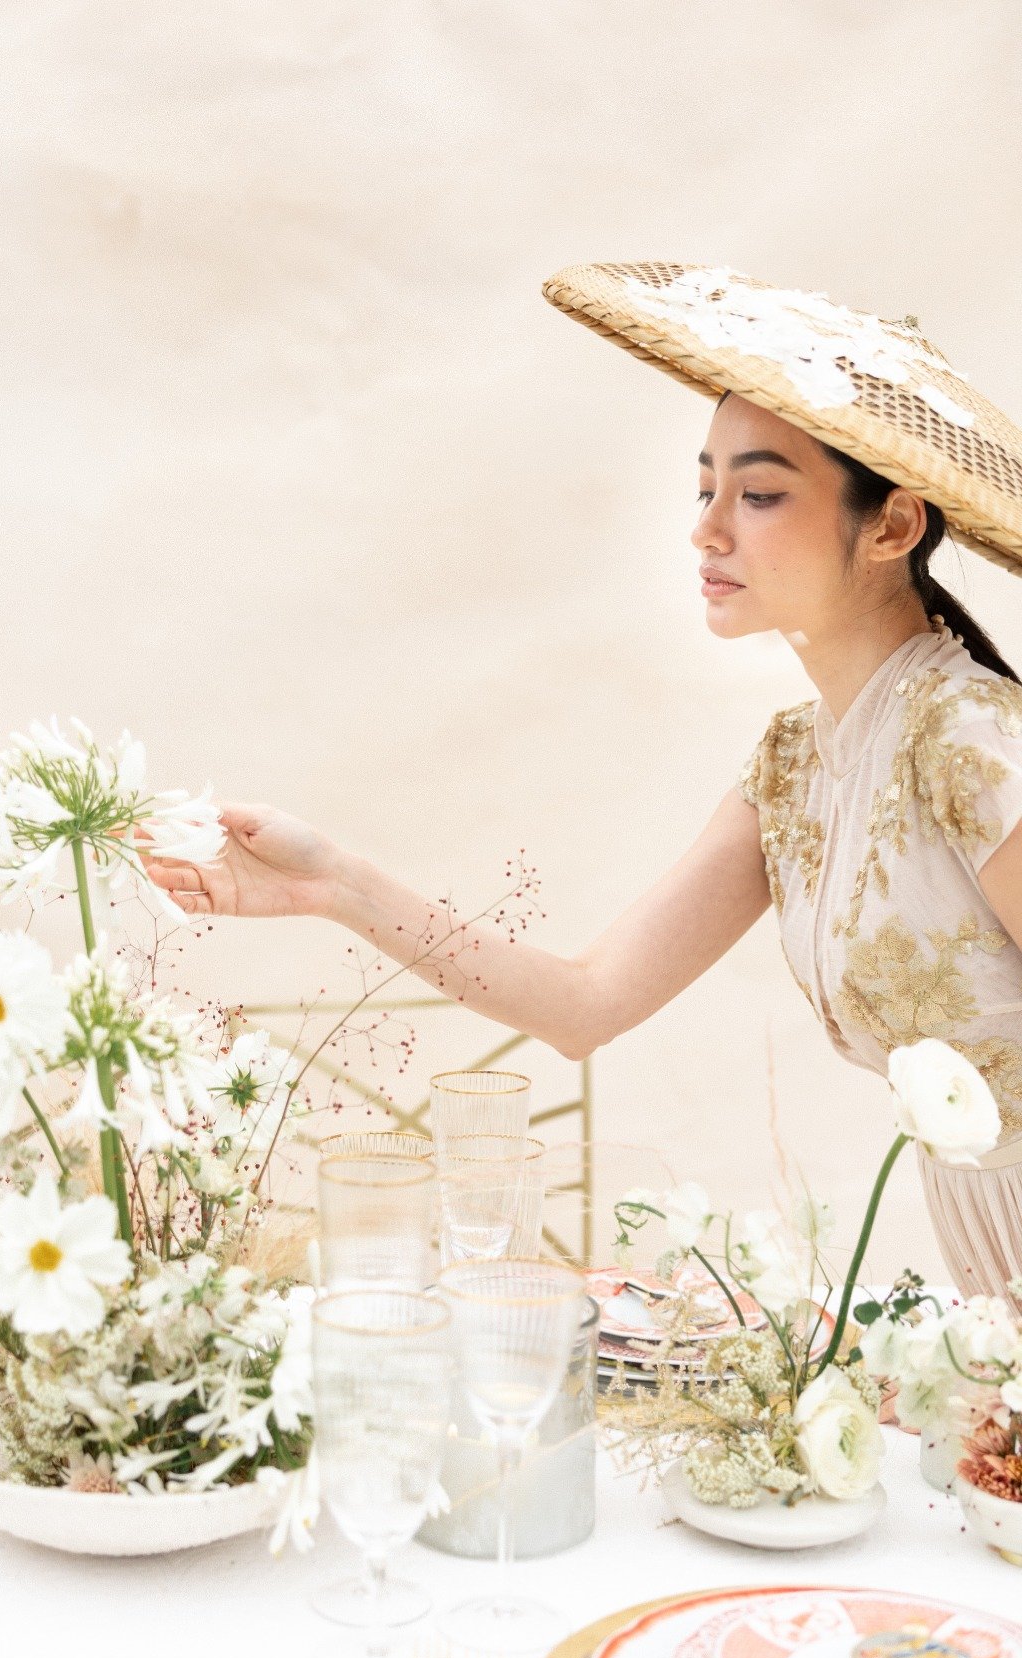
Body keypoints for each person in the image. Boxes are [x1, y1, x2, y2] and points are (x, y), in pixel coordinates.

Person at [145, 261, 1022, 1300]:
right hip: (984, 1270)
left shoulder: (968, 737)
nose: (707, 527)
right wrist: (330, 885)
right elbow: (584, 1002)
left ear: (892, 525)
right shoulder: (797, 766)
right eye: (707, 485)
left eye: (761, 492)